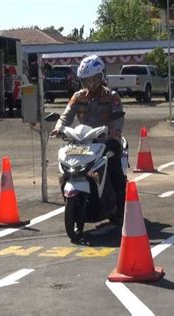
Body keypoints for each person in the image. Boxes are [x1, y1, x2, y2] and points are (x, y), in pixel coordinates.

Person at [51, 55, 126, 225]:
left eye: (94, 79)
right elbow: (66, 115)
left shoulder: (112, 96)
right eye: (86, 80)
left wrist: (114, 131)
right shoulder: (78, 96)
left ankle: (122, 210)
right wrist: (59, 127)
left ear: (101, 77)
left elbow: (118, 118)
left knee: (115, 171)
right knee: (68, 165)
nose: (90, 84)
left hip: (106, 140)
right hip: (82, 139)